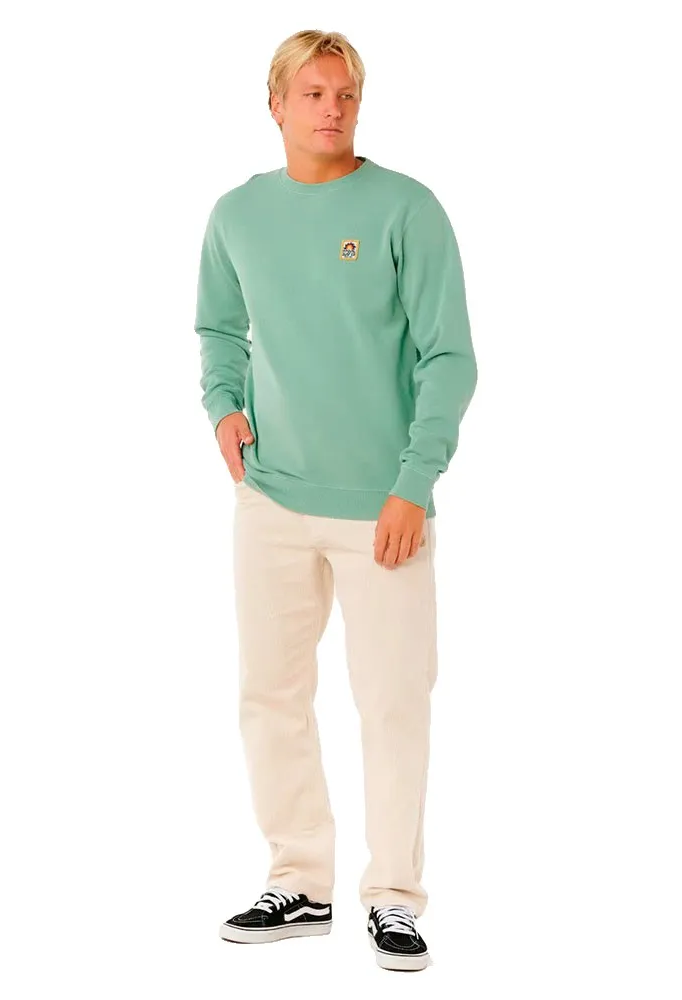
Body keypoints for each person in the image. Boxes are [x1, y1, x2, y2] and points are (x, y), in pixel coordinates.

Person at [194, 29, 477, 973]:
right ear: (275, 104)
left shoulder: (406, 209)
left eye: (346, 93)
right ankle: (299, 882)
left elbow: (450, 357)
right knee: (270, 694)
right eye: (313, 93)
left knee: (392, 703)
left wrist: (414, 484)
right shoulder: (238, 214)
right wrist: (224, 409)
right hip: (270, 499)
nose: (333, 109)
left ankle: (393, 897)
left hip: (382, 507)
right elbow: (217, 326)